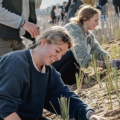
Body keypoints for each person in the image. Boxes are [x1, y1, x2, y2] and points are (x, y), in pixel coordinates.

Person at [0, 26, 106, 120]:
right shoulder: (17, 62)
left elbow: (65, 97)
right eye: (57, 51)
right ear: (43, 42)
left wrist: (90, 114)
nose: (59, 58)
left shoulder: (49, 71)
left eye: (62, 54)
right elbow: (5, 107)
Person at [52, 5, 120, 85]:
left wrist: (110, 60)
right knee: (72, 54)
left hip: (70, 66)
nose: (98, 23)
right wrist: (106, 64)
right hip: (56, 65)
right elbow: (82, 57)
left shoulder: (88, 35)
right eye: (95, 20)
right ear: (85, 19)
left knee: (85, 78)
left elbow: (97, 51)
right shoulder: (73, 29)